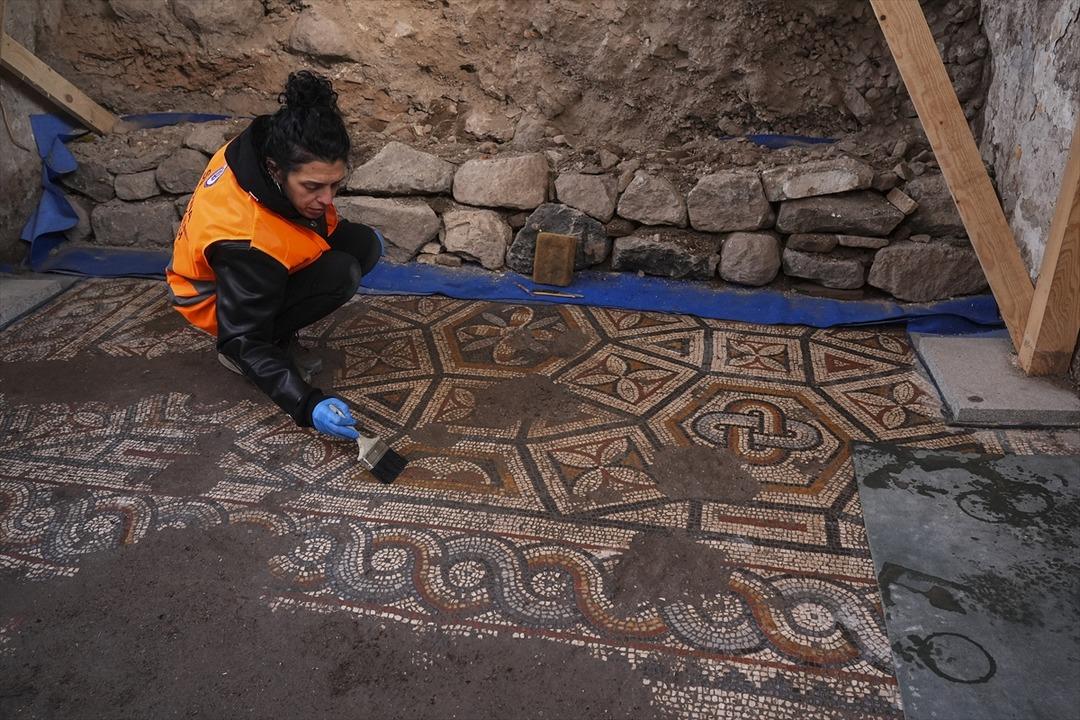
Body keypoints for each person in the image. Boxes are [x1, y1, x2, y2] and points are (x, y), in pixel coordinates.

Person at [167, 70, 381, 441]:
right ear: (275, 171)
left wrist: (311, 198)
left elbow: (303, 215)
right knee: (341, 272)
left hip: (253, 260)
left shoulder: (264, 146)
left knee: (364, 245)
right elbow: (243, 338)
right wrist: (307, 404)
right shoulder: (245, 239)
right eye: (313, 187)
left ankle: (277, 319)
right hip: (219, 302)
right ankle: (270, 342)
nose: (328, 199)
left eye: (335, 184)